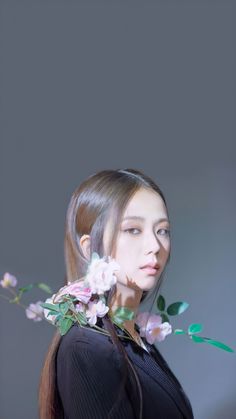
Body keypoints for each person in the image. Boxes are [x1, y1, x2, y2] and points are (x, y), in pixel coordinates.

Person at [38, 168, 194, 419]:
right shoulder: (86, 347)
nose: (155, 246)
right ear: (89, 248)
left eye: (162, 230)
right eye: (133, 229)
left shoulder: (135, 338)